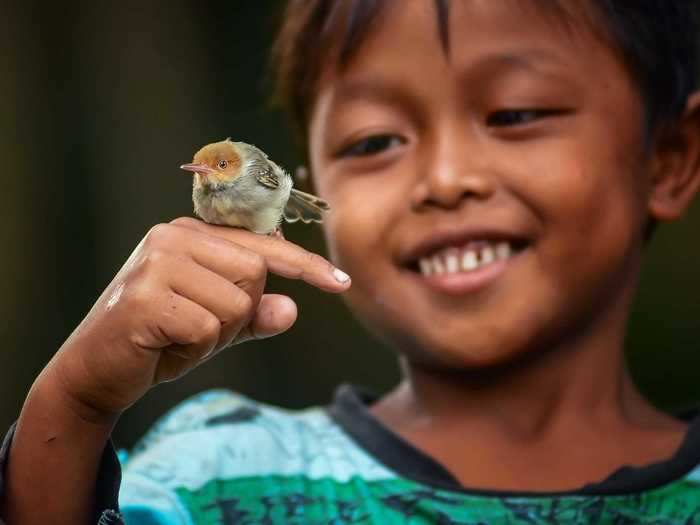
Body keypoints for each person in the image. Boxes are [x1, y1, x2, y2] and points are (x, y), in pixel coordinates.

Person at [3, 1, 700, 523]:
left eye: (515, 114)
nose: (446, 178)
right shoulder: (219, 477)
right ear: (320, 177)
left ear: (668, 159)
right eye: (374, 141)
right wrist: (71, 408)